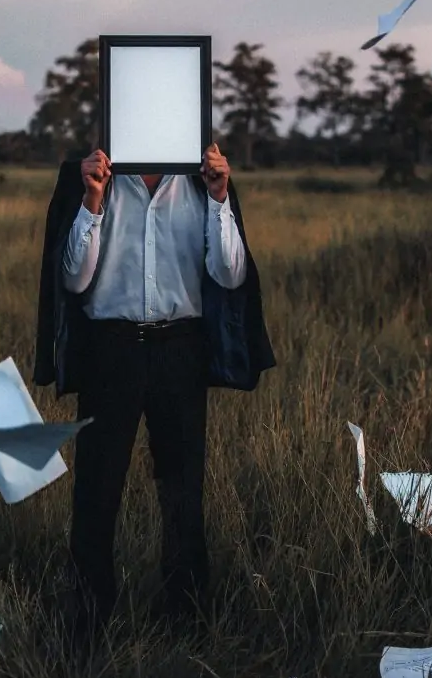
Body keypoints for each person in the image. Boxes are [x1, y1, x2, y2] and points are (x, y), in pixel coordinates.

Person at [34, 144, 275, 631]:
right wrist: (92, 200)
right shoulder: (85, 176)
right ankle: (85, 623)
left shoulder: (201, 176)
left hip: (179, 350)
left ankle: (186, 622)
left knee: (183, 491)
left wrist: (220, 195)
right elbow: (74, 282)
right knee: (96, 494)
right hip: (111, 350)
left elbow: (230, 274)